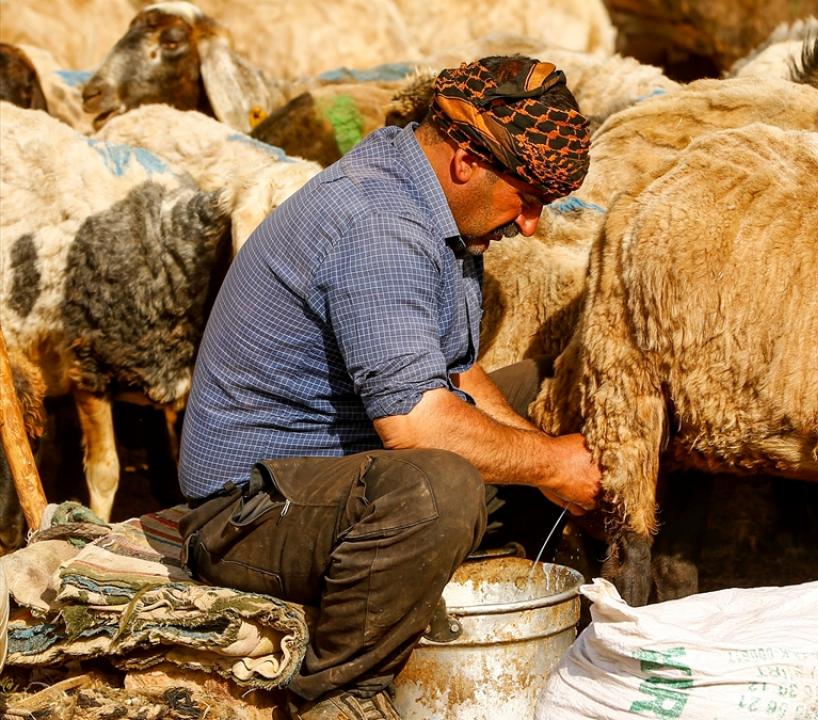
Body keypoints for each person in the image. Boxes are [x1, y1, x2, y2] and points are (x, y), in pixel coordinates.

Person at [176, 57, 603, 720]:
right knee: (438, 490)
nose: (529, 224)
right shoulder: (380, 224)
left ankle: (474, 567)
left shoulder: (431, 204)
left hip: (337, 473)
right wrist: (552, 465)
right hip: (246, 512)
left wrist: (547, 453)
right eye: (527, 198)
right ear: (467, 161)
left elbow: (457, 371)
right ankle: (341, 693)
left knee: (536, 389)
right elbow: (416, 425)